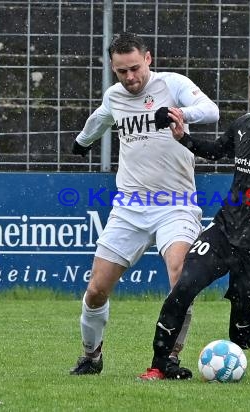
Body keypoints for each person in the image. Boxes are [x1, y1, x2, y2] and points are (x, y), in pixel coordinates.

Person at [139, 61, 250, 380]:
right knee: (183, 288)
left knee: (242, 335)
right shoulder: (243, 124)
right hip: (224, 231)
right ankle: (160, 365)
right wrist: (184, 139)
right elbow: (216, 150)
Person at [69, 32, 219, 376]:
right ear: (113, 68)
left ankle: (169, 358)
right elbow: (100, 118)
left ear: (148, 59)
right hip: (129, 208)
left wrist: (178, 113)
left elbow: (211, 111)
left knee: (181, 276)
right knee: (96, 291)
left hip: (176, 204)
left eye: (135, 68)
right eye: (122, 72)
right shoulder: (115, 96)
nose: (131, 78)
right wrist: (82, 142)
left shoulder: (172, 84)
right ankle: (91, 357)